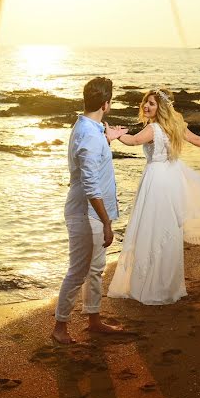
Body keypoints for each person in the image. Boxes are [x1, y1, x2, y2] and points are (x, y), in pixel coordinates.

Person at [107, 88, 200, 305]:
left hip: (157, 180)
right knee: (168, 228)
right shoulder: (174, 127)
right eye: (145, 102)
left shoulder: (154, 128)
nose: (146, 106)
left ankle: (151, 285)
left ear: (160, 107)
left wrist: (115, 136)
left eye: (151, 103)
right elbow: (198, 140)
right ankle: (166, 285)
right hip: (172, 178)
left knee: (153, 228)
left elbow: (134, 141)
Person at [52, 77, 129, 344]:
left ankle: (94, 319)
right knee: (78, 270)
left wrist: (110, 136)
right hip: (85, 214)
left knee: (96, 268)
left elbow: (93, 151)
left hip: (93, 213)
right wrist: (107, 223)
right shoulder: (89, 135)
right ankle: (60, 328)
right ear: (106, 104)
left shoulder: (91, 128)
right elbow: (90, 185)